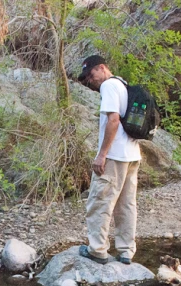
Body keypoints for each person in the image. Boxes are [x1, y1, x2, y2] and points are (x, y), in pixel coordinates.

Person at [78, 55, 142, 265]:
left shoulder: (109, 86)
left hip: (115, 157)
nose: (90, 80)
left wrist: (102, 154)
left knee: (100, 201)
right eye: (87, 77)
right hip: (132, 154)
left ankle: (97, 250)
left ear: (103, 68)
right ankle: (126, 252)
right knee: (126, 204)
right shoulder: (123, 85)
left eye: (91, 74)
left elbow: (113, 121)